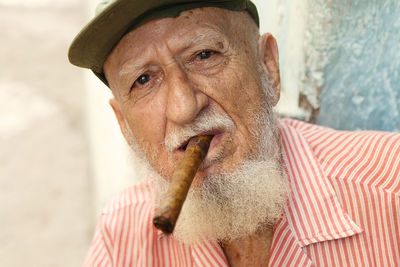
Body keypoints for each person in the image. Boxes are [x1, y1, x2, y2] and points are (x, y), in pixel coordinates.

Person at [69, 0, 400, 266]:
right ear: (124, 126)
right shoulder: (123, 236)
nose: (184, 107)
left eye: (204, 55)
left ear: (267, 67)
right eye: (143, 80)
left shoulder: (391, 188)